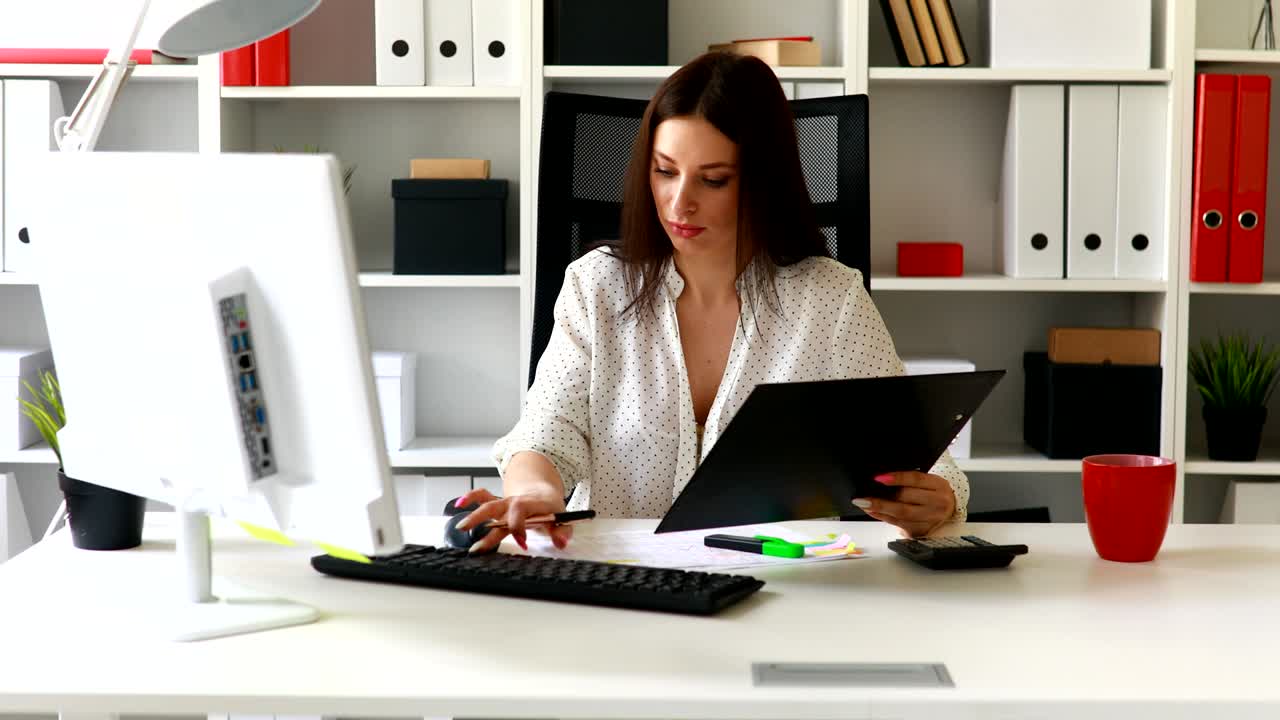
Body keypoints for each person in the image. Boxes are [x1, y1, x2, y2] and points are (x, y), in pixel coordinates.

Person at [457, 51, 969, 553]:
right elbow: (547, 432)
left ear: (763, 182)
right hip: (621, 578)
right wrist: (535, 492)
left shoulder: (830, 300)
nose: (679, 203)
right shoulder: (596, 286)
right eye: (665, 171)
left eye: (713, 179)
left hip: (779, 586)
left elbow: (922, 458)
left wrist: (936, 502)